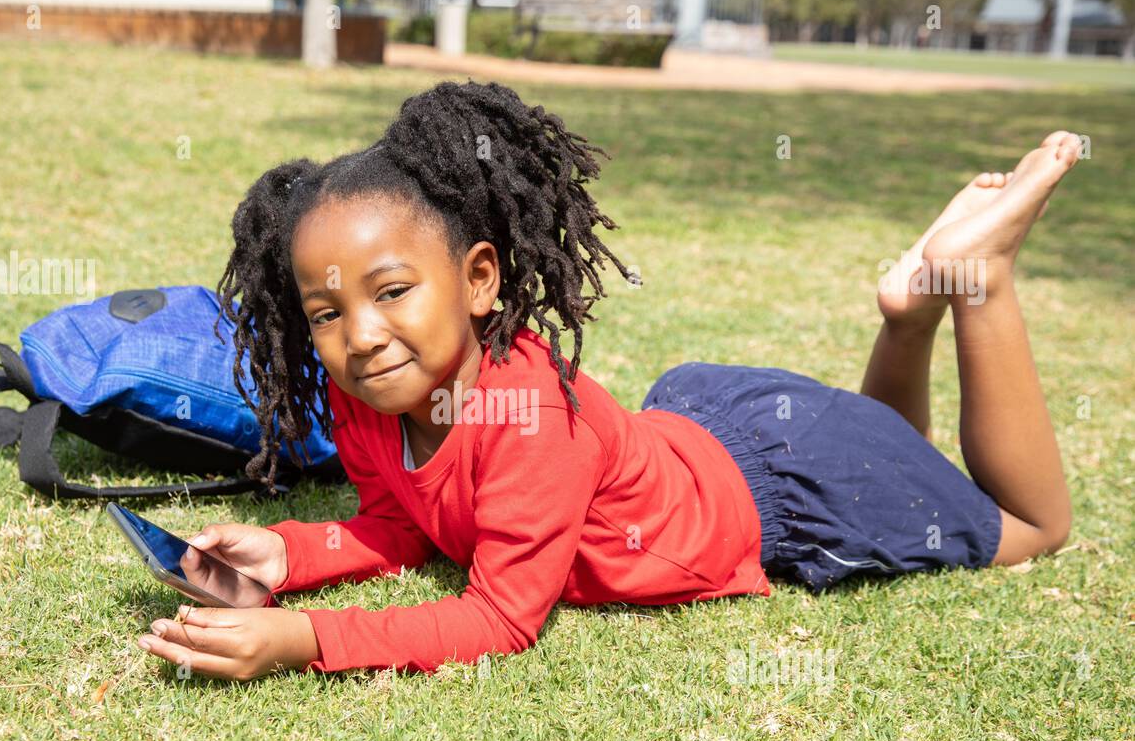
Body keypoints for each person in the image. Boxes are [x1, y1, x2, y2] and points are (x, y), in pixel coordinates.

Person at [136, 81, 1080, 680]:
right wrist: (290, 557)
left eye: (391, 293)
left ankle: (977, 280)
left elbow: (501, 618)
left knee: (1031, 525)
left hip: (786, 488)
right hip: (707, 437)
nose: (361, 336)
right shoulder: (366, 396)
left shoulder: (526, 412)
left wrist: (307, 642)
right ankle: (907, 314)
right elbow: (402, 525)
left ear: (479, 278)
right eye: (327, 312)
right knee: (896, 458)